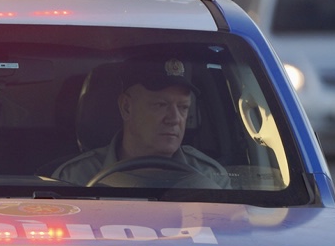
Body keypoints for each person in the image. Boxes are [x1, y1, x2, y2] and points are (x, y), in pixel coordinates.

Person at [52, 59, 230, 188]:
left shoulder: (210, 177)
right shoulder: (75, 178)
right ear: (126, 107)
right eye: (160, 105)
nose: (175, 119)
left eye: (183, 107)